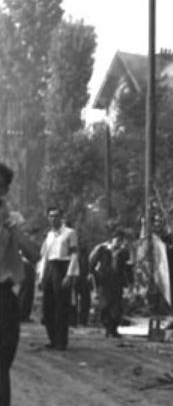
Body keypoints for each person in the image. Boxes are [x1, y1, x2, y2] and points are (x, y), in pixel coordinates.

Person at [0, 162, 39, 406]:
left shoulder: (12, 220)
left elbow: (35, 255)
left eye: (1, 189)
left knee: (1, 367)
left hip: (3, 298)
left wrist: (15, 232)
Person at [36, 207, 79, 351]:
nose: (53, 219)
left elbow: (74, 255)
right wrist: (41, 276)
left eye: (56, 216)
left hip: (62, 268)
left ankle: (61, 341)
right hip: (50, 269)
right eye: (50, 216)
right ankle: (53, 338)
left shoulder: (69, 233)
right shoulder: (48, 235)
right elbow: (44, 258)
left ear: (61, 217)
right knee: (48, 307)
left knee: (61, 306)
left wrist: (69, 275)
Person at [89, 229, 131, 338]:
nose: (119, 242)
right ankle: (107, 326)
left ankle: (114, 328)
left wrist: (129, 284)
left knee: (116, 307)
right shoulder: (102, 249)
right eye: (117, 240)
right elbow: (92, 262)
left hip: (117, 282)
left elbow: (128, 269)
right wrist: (93, 273)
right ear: (112, 239)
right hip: (104, 281)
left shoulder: (124, 252)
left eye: (121, 240)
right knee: (104, 305)